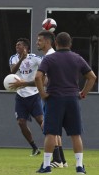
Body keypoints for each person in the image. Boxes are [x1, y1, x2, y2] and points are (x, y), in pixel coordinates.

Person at [35, 32, 96, 174]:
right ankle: (80, 167)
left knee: (50, 133)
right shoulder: (77, 58)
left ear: (56, 43)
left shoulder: (50, 59)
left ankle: (47, 166)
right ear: (70, 44)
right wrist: (83, 93)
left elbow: (38, 76)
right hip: (72, 99)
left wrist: (43, 94)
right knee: (75, 134)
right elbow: (92, 77)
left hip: (54, 99)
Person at [36, 30, 68, 168]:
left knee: (49, 128)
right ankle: (62, 160)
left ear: (48, 42)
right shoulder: (51, 55)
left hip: (52, 97)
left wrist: (41, 91)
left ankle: (57, 161)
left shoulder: (50, 57)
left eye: (40, 40)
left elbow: (44, 79)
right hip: (57, 96)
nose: (37, 42)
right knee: (54, 130)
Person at [8, 38, 43, 156]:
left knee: (41, 121)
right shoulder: (13, 58)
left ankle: (54, 146)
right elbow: (12, 72)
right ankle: (34, 148)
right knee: (21, 122)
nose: (17, 46)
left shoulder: (35, 58)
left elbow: (45, 72)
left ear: (26, 48)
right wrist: (21, 59)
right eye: (16, 45)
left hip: (34, 95)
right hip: (20, 96)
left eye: (19, 45)